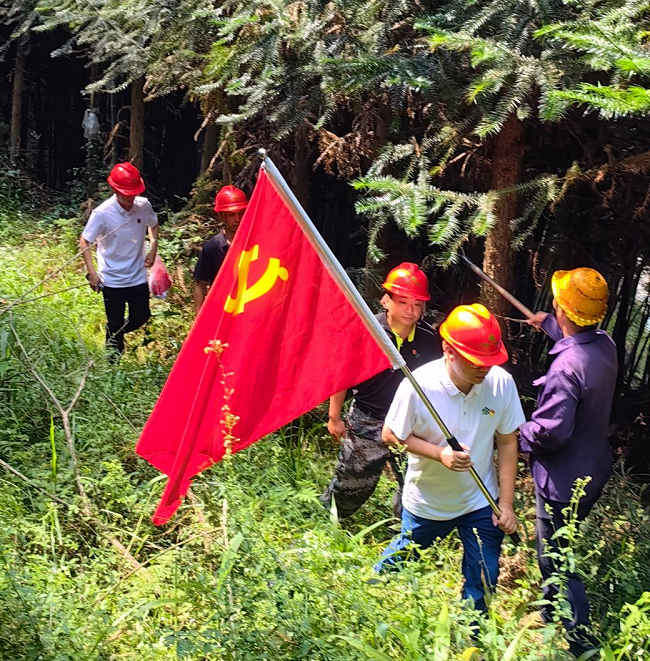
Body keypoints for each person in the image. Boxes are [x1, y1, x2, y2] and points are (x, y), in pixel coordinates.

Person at [375, 304, 525, 616]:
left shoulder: (500, 384)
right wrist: (439, 453)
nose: (484, 368)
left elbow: (508, 441)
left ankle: (474, 633)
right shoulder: (419, 385)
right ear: (448, 350)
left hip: (480, 500)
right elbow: (391, 435)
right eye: (476, 361)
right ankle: (366, 597)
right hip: (429, 502)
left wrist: (506, 503)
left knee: (483, 578)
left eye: (489, 360)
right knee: (400, 560)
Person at [520, 267, 617, 658]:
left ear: (562, 308)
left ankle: (581, 641)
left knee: (555, 558)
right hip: (593, 470)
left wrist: (515, 433)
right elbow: (578, 342)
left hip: (562, 481)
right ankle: (548, 611)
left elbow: (551, 432)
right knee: (563, 541)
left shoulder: (565, 369)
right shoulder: (606, 346)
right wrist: (549, 324)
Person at [321, 263, 441, 519]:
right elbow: (342, 373)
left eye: (417, 304)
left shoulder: (428, 340)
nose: (410, 310)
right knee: (352, 485)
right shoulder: (367, 331)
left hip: (411, 425)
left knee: (414, 485)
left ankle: (407, 531)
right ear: (387, 300)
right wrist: (334, 416)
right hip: (368, 418)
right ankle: (329, 523)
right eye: (403, 302)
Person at [80, 162, 159, 356]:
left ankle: (113, 333)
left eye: (134, 193)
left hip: (137, 275)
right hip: (112, 278)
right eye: (126, 193)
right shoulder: (102, 213)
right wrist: (92, 273)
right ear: (115, 189)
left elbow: (154, 225)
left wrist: (153, 248)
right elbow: (85, 241)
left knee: (141, 316)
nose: (131, 197)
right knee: (115, 321)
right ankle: (113, 362)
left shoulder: (143, 206)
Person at [193, 185, 249, 313]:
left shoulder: (255, 243)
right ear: (221, 216)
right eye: (231, 215)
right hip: (224, 311)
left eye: (241, 213)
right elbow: (201, 285)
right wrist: (198, 319)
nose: (237, 219)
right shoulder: (211, 248)